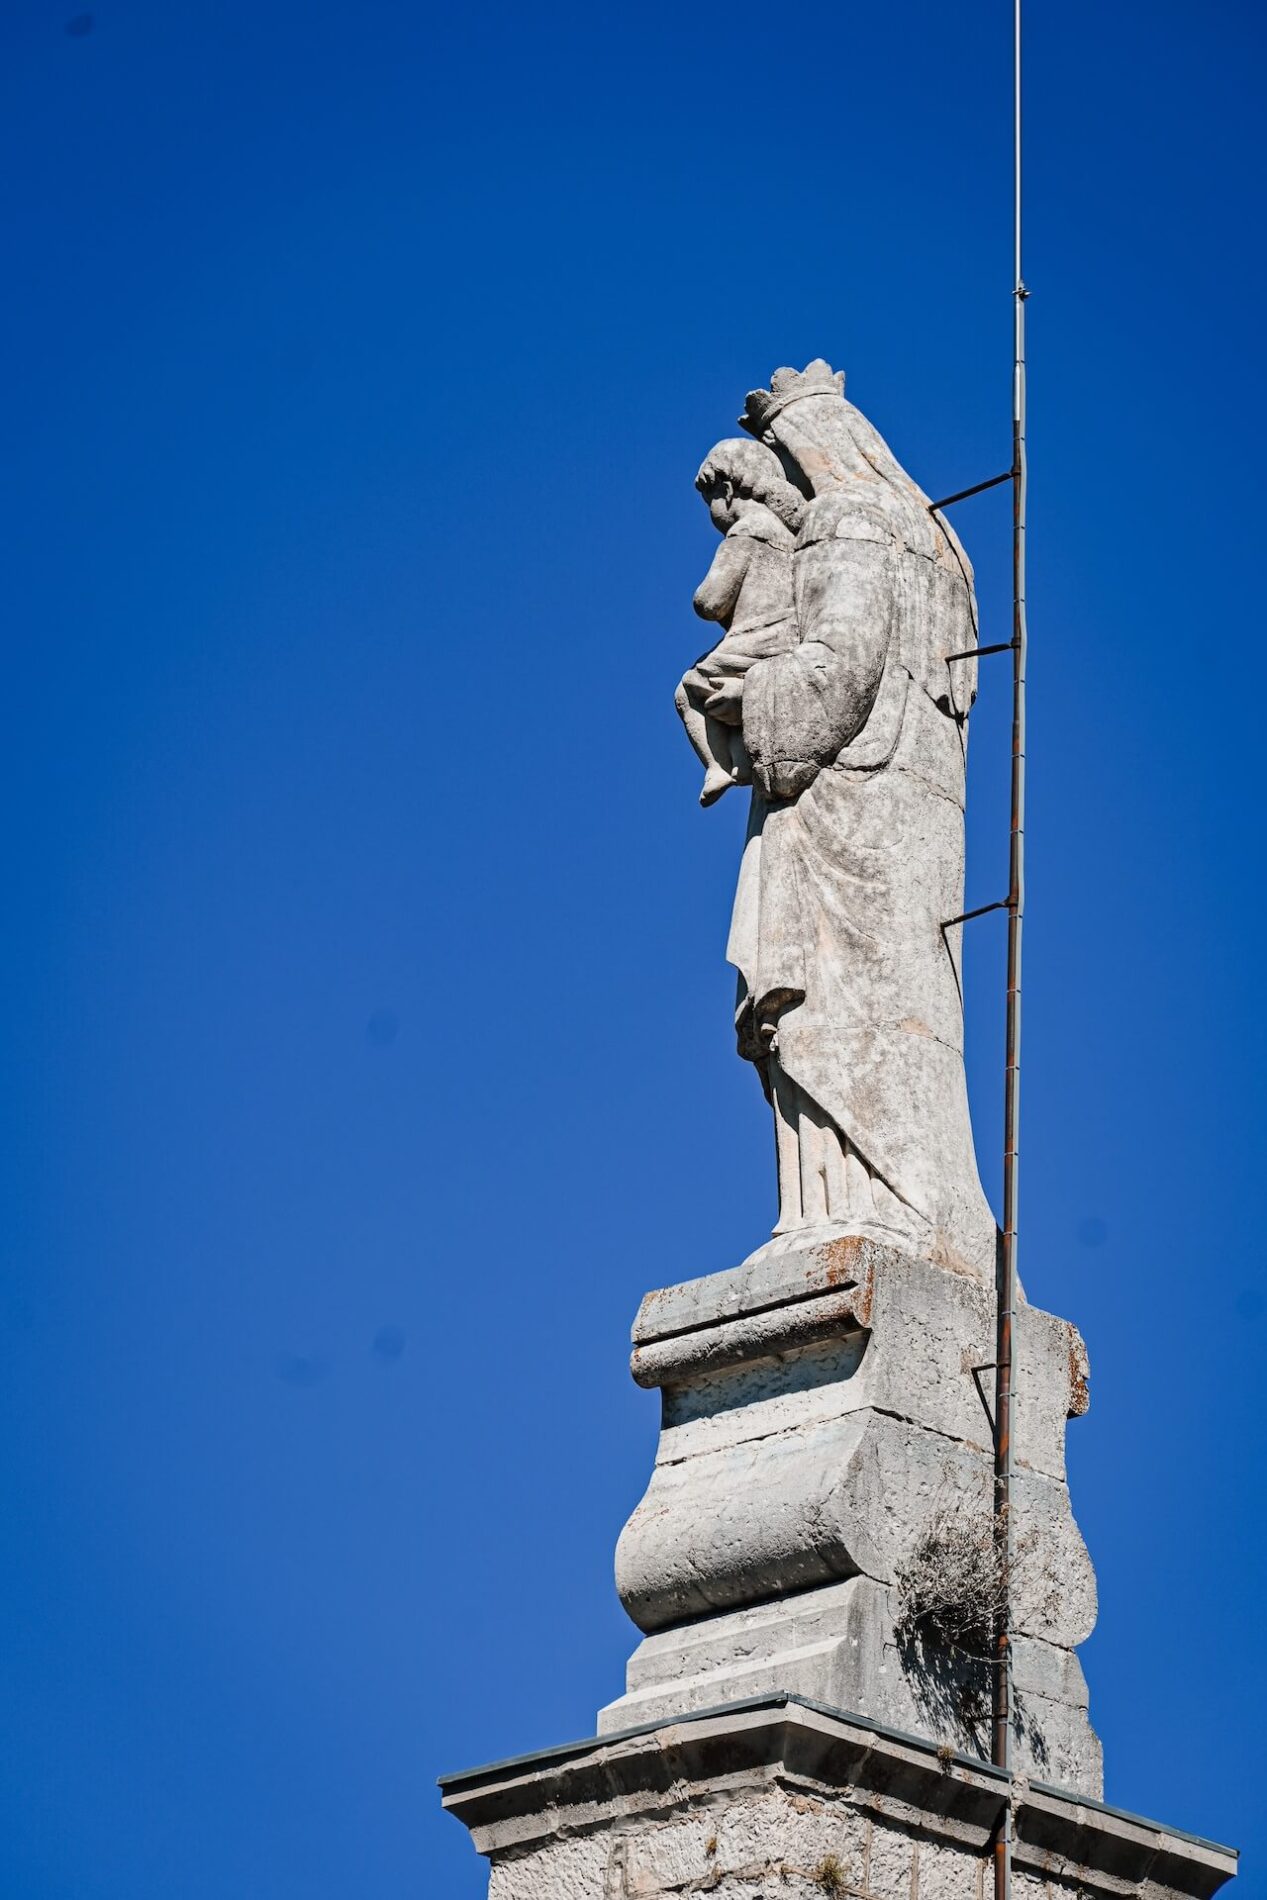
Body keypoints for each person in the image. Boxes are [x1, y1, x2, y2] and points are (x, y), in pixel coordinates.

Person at [675, 439, 805, 805]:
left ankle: (717, 767)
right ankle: (741, 760)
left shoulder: (744, 535)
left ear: (727, 491)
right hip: (787, 638)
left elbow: (711, 603)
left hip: (754, 641)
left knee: (688, 690)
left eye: (710, 503)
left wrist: (702, 597)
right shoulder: (792, 538)